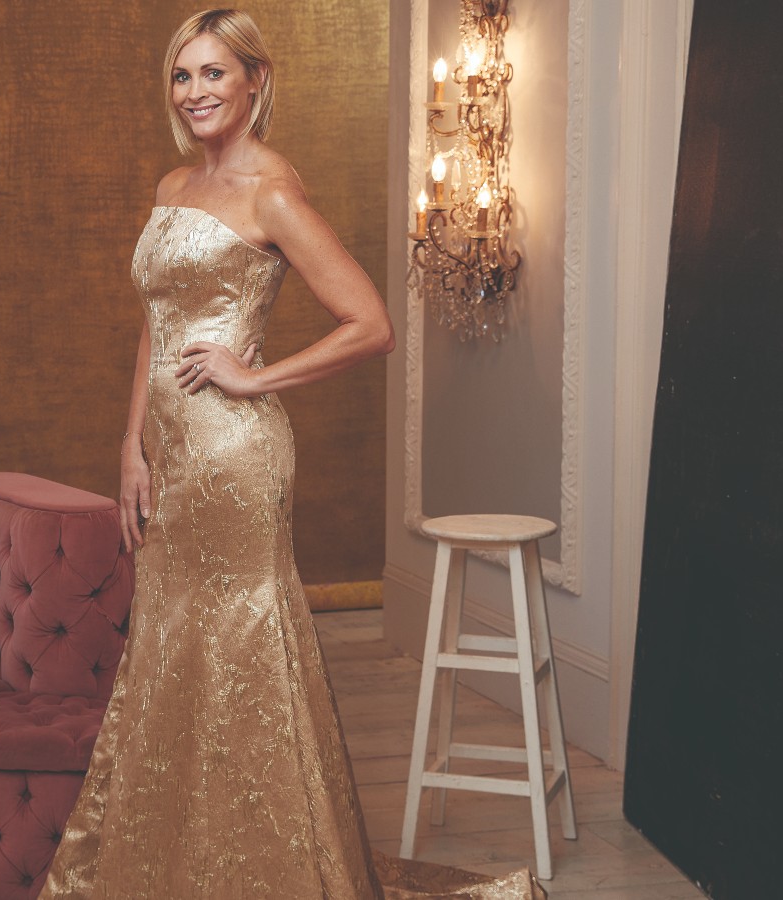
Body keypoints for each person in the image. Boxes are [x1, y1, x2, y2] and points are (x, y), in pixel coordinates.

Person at [38, 9, 541, 899]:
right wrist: (130, 446)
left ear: (256, 80)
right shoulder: (173, 185)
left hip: (235, 460)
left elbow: (372, 324)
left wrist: (254, 377)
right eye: (182, 75)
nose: (195, 92)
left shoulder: (271, 191)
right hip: (169, 461)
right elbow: (155, 326)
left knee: (243, 651)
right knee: (171, 648)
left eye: (214, 73)